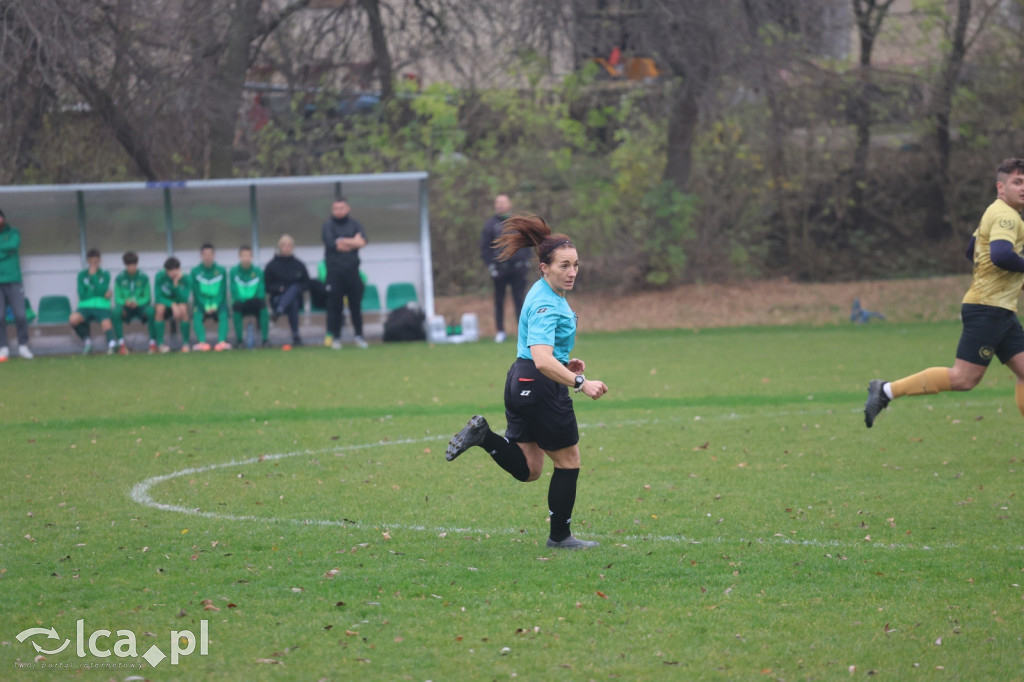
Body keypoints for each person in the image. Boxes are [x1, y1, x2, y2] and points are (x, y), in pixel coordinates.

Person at [445, 215, 609, 550]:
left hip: (521, 379)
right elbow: (542, 359)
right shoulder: (547, 302)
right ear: (544, 267)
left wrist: (564, 362)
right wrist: (580, 381)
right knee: (568, 461)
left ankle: (484, 436)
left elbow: (545, 354)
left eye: (576, 264)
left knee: (530, 469)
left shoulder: (544, 291)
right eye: (564, 265)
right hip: (539, 384)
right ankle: (560, 537)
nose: (572, 272)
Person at [865, 157, 1024, 427]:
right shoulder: (1006, 217)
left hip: (999, 309)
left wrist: (1003, 279)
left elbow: (971, 250)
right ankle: (886, 390)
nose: (1023, 188)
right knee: (964, 378)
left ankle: (886, 390)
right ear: (1001, 187)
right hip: (988, 309)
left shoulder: (996, 211)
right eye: (1017, 182)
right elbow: (1000, 255)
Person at [481, 194, 531, 343]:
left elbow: (528, 242)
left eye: (503, 202)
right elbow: (485, 247)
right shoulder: (490, 225)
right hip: (500, 270)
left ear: (510, 204)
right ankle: (500, 331)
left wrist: (526, 261)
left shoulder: (518, 223)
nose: (501, 205)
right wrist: (491, 266)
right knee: (499, 301)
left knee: (520, 301)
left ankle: (523, 331)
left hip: (518, 269)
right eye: (498, 202)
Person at [321, 198, 369, 349]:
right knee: (335, 306)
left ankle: (359, 336)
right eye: (336, 208)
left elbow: (362, 242)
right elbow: (333, 245)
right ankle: (335, 337)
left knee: (356, 306)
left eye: (341, 208)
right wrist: (353, 241)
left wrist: (342, 240)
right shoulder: (327, 225)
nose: (339, 211)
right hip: (334, 273)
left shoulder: (355, 224)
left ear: (347, 208)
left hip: (353, 272)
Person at [264, 233, 310, 347]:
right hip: (277, 298)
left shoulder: (299, 265)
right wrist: (278, 288)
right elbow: (267, 286)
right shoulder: (271, 265)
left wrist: (297, 289)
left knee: (294, 291)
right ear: (280, 247)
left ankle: (279, 312)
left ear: (293, 247)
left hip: (296, 299)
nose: (287, 248)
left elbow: (306, 283)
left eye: (289, 245)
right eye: (284, 245)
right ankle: (296, 336)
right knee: (292, 301)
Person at [0, 208, 33, 360]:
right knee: (0, 316)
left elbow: (13, 244)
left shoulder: (13, 232)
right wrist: (6, 251)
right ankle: (3, 348)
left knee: (20, 315)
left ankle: (23, 346)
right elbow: (8, 248)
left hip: (14, 280)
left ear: (3, 218)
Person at [69, 248, 116, 355]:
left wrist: (94, 276)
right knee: (73, 319)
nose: (93, 265)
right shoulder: (82, 275)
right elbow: (82, 294)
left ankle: (112, 345)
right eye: (90, 262)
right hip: (85, 306)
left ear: (99, 261)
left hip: (101, 306)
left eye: (95, 262)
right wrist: (99, 293)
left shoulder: (105, 274)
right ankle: (87, 341)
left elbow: (102, 289)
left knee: (106, 322)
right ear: (87, 261)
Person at [112, 251, 156, 354]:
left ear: (137, 264)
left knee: (151, 311)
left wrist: (137, 302)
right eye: (129, 265)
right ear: (125, 265)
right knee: (115, 312)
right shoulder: (119, 278)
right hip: (126, 307)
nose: (131, 268)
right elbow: (117, 297)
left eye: (133, 265)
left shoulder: (144, 277)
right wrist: (125, 302)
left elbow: (147, 297)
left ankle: (153, 344)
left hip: (141, 307)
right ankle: (121, 345)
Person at [190, 243, 231, 351]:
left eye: (210, 254)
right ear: (201, 255)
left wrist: (215, 304)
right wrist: (205, 305)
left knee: (224, 311)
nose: (208, 256)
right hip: (201, 303)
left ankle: (221, 342)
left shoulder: (221, 270)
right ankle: (202, 342)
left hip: (218, 303)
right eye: (205, 254)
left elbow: (223, 291)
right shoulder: (195, 271)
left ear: (214, 255)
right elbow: (196, 293)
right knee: (196, 312)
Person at [230, 245, 269, 348]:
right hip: (241, 302)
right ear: (239, 256)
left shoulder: (258, 271)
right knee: (236, 306)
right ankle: (239, 341)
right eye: (243, 256)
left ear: (252, 257)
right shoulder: (234, 271)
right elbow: (234, 290)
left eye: (248, 256)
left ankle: (265, 340)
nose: (246, 258)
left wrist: (255, 298)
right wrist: (242, 299)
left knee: (263, 306)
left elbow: (261, 289)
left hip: (254, 301)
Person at [153, 256, 192, 353]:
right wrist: (172, 305)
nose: (174, 273)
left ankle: (185, 344)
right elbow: (158, 297)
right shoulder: (160, 277)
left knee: (183, 308)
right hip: (166, 305)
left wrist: (176, 284)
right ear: (166, 271)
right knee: (159, 309)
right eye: (171, 271)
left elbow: (184, 298)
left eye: (176, 270)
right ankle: (160, 345)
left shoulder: (186, 278)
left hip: (179, 305)